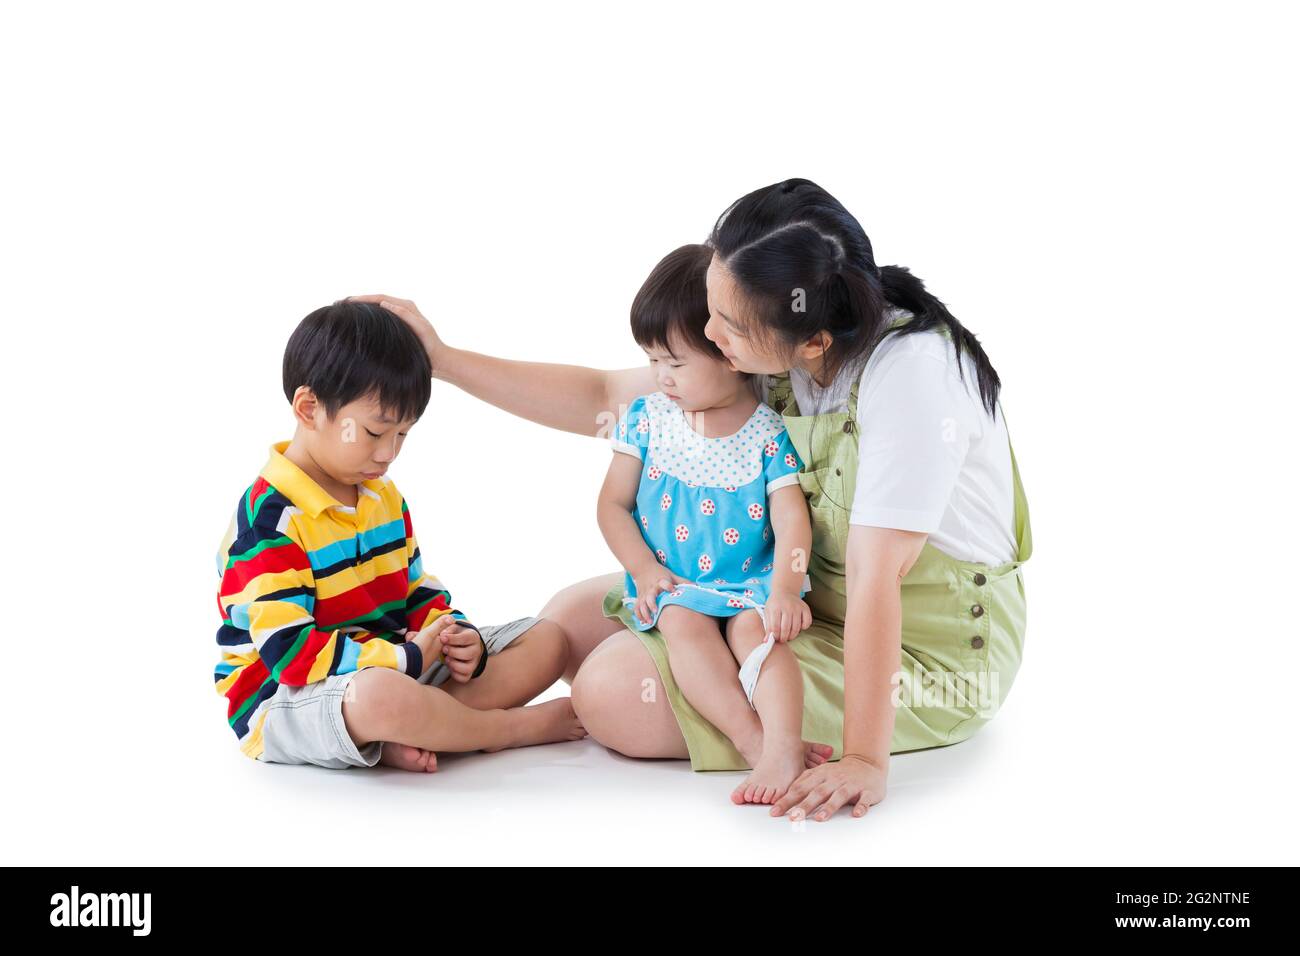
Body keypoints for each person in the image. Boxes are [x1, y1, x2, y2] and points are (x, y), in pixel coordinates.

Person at [351, 176, 1031, 820]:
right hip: (792, 597)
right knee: (570, 618)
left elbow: (876, 576)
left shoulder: (911, 377)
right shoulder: (787, 329)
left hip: (921, 651)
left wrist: (864, 760)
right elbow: (602, 399)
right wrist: (442, 359)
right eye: (711, 307)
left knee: (610, 690)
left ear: (813, 337)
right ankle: (436, 718)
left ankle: (747, 737)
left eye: (726, 327)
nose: (707, 336)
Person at [213, 299, 585, 772]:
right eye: (374, 432)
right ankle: (502, 730)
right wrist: (404, 658)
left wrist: (455, 634)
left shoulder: (380, 497)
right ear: (309, 408)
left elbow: (414, 590)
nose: (388, 454)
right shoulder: (270, 524)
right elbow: (291, 657)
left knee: (548, 641)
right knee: (379, 697)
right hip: (290, 697)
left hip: (395, 659)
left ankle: (418, 731)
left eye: (403, 435)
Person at [597, 243, 819, 805]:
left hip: (751, 583)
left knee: (758, 638)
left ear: (729, 352)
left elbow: (792, 519)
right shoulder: (648, 420)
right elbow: (612, 506)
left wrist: (786, 592)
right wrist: (645, 572)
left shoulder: (766, 431)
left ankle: (785, 740)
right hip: (678, 586)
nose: (660, 376)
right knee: (684, 631)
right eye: (652, 360)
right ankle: (752, 742)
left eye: (675, 362)